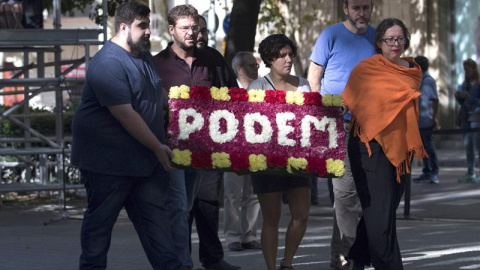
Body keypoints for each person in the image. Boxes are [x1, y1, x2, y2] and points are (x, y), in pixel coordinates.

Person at [71, 2, 182, 270]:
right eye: (142, 26)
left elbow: (158, 95)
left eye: (149, 25)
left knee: (158, 229)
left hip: (143, 162)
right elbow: (126, 115)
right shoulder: (107, 63)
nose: (148, 32)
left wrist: (185, 111)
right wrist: (157, 146)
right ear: (123, 27)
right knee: (99, 229)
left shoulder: (142, 55)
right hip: (107, 164)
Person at [153, 5, 240, 270]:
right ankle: (181, 263)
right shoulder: (157, 64)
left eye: (195, 28)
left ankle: (203, 258)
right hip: (171, 148)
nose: (192, 33)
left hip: (204, 148)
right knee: (179, 206)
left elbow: (233, 96)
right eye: (185, 28)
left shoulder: (211, 59)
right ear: (172, 30)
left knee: (195, 204)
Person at [342, 18, 425, 270]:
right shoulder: (365, 69)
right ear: (379, 42)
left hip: (400, 150)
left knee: (382, 211)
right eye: (390, 39)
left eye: (400, 38)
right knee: (380, 215)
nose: (395, 43)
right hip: (368, 147)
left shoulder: (412, 70)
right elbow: (351, 102)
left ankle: (356, 257)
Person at [306, 0, 375, 269]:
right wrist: (322, 116)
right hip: (339, 125)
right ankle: (344, 255)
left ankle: (358, 251)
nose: (362, 13)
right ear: (345, 8)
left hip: (372, 127)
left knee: (370, 195)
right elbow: (315, 78)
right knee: (345, 195)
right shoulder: (330, 34)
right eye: (356, 7)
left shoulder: (377, 36)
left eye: (366, 7)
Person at [248, 34, 311, 270]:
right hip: (267, 161)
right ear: (269, 59)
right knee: (271, 217)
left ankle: (287, 263)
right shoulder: (258, 86)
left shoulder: (304, 84)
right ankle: (271, 267)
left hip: (299, 159)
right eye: (281, 55)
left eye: (290, 54)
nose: (288, 59)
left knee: (301, 216)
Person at [223, 51, 262, 252]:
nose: (256, 69)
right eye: (251, 66)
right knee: (233, 194)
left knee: (253, 194)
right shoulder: (227, 90)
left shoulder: (262, 89)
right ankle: (233, 236)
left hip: (256, 149)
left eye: (256, 66)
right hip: (233, 149)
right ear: (239, 69)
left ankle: (250, 235)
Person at [413, 56, 441, 184]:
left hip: (426, 119)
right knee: (422, 147)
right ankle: (426, 170)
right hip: (418, 119)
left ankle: (434, 171)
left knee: (429, 146)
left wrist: (434, 117)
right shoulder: (418, 80)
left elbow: (434, 100)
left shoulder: (428, 81)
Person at [455, 58, 480, 183]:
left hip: (477, 119)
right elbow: (463, 103)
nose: (466, 72)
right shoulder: (465, 83)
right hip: (466, 119)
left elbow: (476, 102)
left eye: (468, 70)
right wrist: (458, 97)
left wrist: (469, 97)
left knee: (478, 146)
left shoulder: (478, 84)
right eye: (464, 70)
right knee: (468, 145)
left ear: (473, 69)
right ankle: (470, 172)